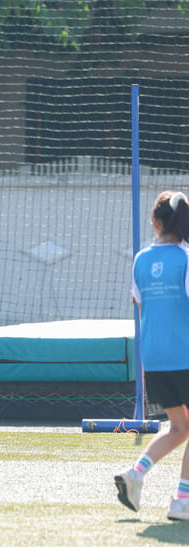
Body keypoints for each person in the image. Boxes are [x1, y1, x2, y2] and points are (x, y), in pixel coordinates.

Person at [115, 190, 189, 521]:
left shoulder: (141, 260)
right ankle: (182, 500)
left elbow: (141, 304)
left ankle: (136, 474)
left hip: (155, 359)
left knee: (179, 427)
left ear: (156, 222)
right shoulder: (186, 259)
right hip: (184, 354)